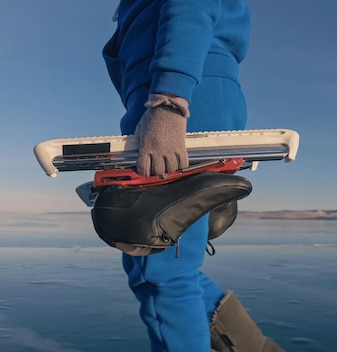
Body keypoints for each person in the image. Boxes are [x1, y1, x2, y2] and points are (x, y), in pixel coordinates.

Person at [102, 1, 284, 351]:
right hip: (198, 93)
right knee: (170, 266)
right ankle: (256, 348)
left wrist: (169, 102)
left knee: (156, 266)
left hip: (178, 100)